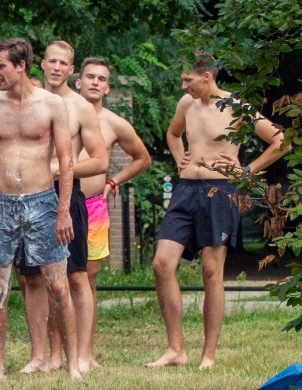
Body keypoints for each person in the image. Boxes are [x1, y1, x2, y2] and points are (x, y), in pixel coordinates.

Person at [149, 52, 286, 369]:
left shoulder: (237, 108)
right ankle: (176, 350)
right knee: (161, 263)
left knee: (211, 271)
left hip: (220, 191)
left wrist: (247, 171)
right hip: (186, 190)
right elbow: (173, 133)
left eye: (189, 79)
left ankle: (208, 356)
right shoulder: (186, 105)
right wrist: (180, 157)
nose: (185, 86)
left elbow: (281, 142)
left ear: (207, 76)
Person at [0, 37, 78, 381]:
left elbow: (66, 161)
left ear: (21, 66)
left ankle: (74, 363)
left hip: (42, 201)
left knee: (58, 286)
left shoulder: (51, 105)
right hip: (2, 202)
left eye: (1, 66)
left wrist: (63, 211)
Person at [38, 41, 109, 375]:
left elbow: (99, 160)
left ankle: (81, 354)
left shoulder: (81, 108)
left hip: (68, 193)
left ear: (71, 70)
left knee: (76, 276)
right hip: (32, 196)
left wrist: (62, 170)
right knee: (45, 279)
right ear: (41, 64)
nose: (56, 67)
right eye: (51, 61)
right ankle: (52, 355)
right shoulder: (31, 103)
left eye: (62, 63)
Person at [76, 58, 152, 367]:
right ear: (78, 81)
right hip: (58, 203)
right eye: (89, 76)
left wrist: (113, 181)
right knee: (55, 278)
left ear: (108, 87)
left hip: (93, 205)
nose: (95, 82)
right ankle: (56, 353)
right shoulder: (61, 112)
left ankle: (86, 353)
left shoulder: (113, 122)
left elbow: (142, 158)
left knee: (88, 280)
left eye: (101, 78)